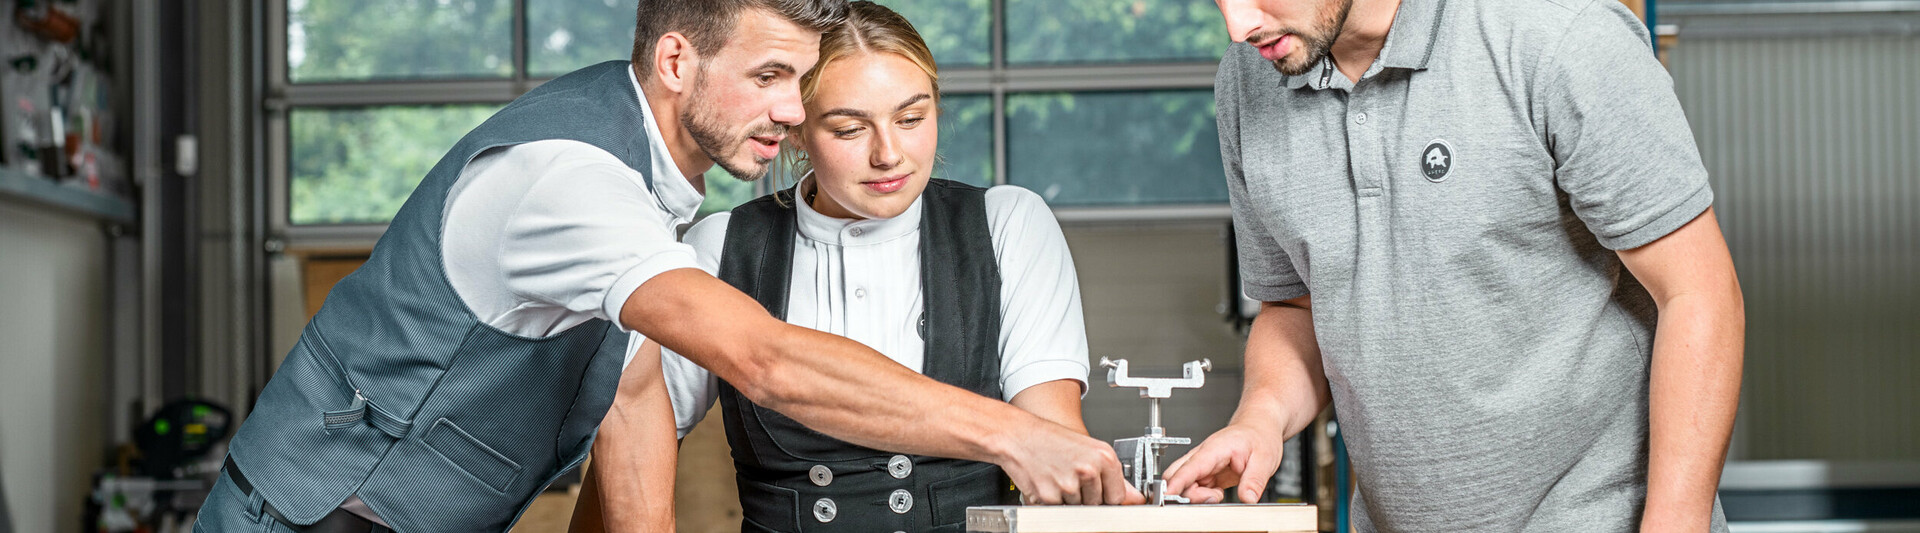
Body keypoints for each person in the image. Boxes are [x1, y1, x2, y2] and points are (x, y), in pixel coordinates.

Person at [194, 1, 1133, 531]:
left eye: (799, 83)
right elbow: (767, 360)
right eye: (771, 78)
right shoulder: (574, 179)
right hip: (317, 512)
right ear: (678, 60)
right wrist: (1011, 434)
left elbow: (634, 393)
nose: (791, 113)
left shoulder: (659, 183)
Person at [1162, 0, 1745, 531]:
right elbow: (1296, 305)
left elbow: (1698, 294)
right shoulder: (1250, 79)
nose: (1238, 26)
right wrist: (1260, 418)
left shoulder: (1557, 36)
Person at [574, 3, 1126, 531]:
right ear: (795, 127)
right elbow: (634, 433)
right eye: (848, 129)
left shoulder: (1008, 223)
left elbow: (1054, 442)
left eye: (911, 118)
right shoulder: (722, 248)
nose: (889, 154)